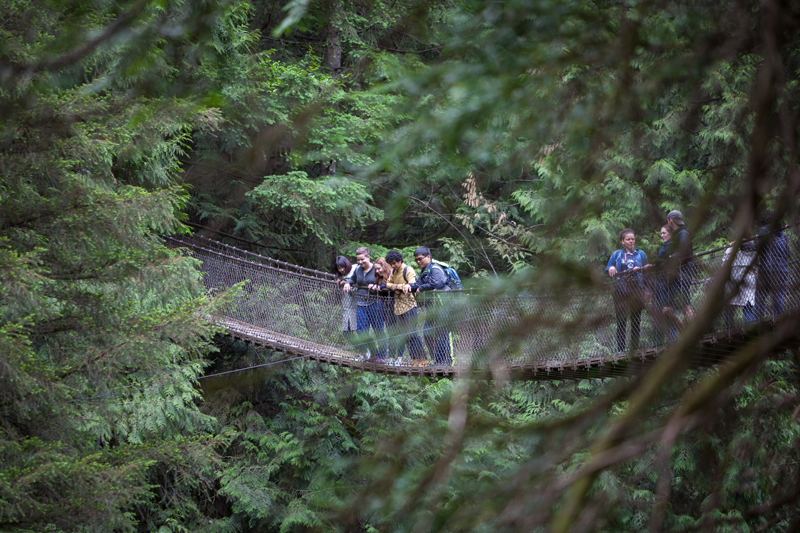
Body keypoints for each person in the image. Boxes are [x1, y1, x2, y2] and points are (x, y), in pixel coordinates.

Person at [403, 246, 452, 366]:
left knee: (441, 335)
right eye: (416, 260)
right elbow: (419, 283)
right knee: (427, 334)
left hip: (442, 306)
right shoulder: (425, 271)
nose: (418, 262)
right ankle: (437, 361)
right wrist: (410, 286)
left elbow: (437, 283)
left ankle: (445, 362)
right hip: (431, 308)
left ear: (428, 257)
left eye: (420, 259)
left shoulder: (435, 268)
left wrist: (421, 288)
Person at [604, 228, 648, 352]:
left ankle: (634, 349)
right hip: (620, 291)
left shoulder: (641, 254)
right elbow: (607, 268)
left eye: (633, 239)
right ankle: (621, 350)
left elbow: (647, 273)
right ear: (623, 241)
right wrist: (611, 267)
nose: (631, 241)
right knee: (621, 321)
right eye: (628, 239)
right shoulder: (617, 254)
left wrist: (647, 290)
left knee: (635, 321)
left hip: (637, 291)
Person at [383, 249, 426, 367]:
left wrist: (398, 286)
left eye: (394, 263)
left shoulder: (408, 269)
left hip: (409, 306)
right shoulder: (394, 271)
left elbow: (412, 284)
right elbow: (387, 283)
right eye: (391, 264)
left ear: (400, 261)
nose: (392, 266)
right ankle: (415, 361)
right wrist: (393, 287)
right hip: (398, 308)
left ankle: (423, 360)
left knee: (413, 333)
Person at [343, 247, 386, 361]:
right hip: (361, 304)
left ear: (368, 257)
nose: (360, 262)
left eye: (362, 259)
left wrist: (377, 286)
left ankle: (381, 357)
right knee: (361, 331)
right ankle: (364, 353)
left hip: (375, 303)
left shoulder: (376, 269)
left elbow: (384, 282)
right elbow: (352, 279)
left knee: (378, 330)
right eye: (358, 260)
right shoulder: (358, 270)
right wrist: (348, 283)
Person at [744, 211, 789, 319]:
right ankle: (777, 319)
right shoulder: (783, 235)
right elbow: (788, 253)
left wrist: (742, 245)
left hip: (767, 269)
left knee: (759, 297)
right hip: (782, 269)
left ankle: (758, 323)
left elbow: (758, 247)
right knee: (778, 296)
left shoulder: (764, 230)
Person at [664, 210, 695, 326]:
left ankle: (693, 334)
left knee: (685, 307)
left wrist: (670, 259)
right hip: (675, 274)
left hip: (683, 273)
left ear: (670, 220)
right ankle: (685, 333)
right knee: (667, 310)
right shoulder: (678, 234)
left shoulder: (683, 233)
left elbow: (683, 252)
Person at [722, 240, 757, 329]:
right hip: (749, 280)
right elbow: (757, 266)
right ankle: (751, 329)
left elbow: (724, 266)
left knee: (729, 309)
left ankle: (729, 331)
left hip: (733, 280)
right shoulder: (753, 248)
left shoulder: (731, 249)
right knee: (747, 308)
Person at [333, 256, 358, 342]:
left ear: (346, 264)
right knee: (346, 332)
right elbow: (340, 291)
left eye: (342, 267)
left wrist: (348, 285)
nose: (341, 270)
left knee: (359, 331)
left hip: (357, 306)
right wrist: (340, 284)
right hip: (347, 307)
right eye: (339, 268)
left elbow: (358, 290)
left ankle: (367, 351)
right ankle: (361, 350)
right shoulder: (341, 276)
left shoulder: (355, 270)